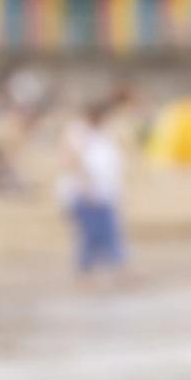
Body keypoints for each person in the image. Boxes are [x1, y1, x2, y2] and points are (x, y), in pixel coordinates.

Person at [60, 96, 130, 279]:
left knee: (108, 232)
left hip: (105, 191)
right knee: (92, 234)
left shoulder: (103, 132)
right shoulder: (78, 131)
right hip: (86, 192)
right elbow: (72, 159)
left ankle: (117, 269)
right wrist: (86, 186)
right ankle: (89, 272)